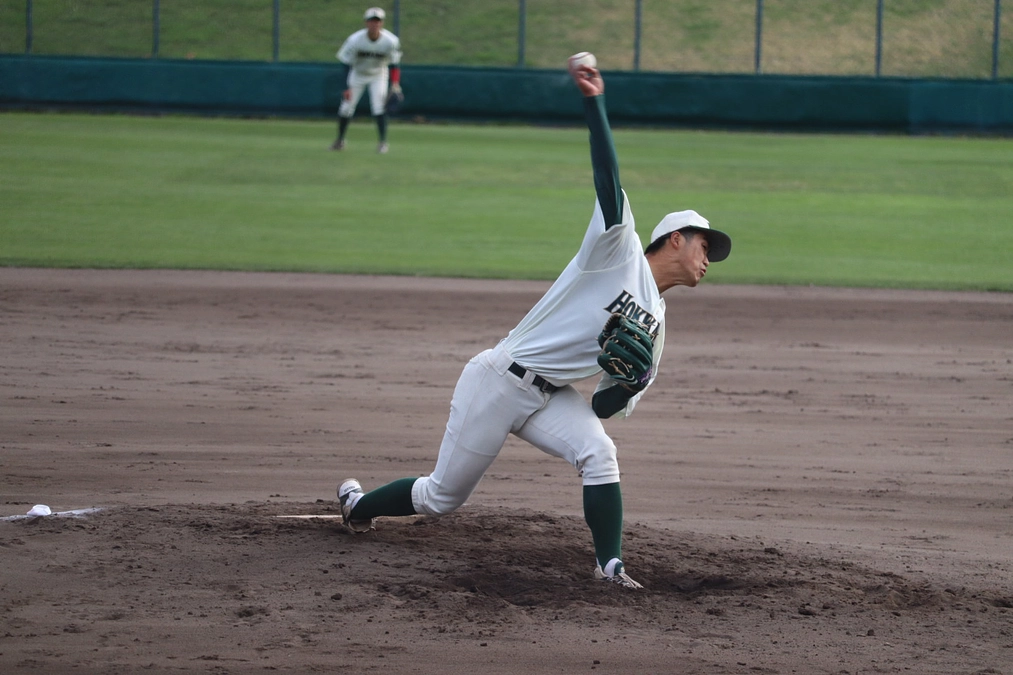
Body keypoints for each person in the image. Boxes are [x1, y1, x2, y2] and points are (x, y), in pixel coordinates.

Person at [337, 57, 731, 589]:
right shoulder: (618, 251)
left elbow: (604, 405)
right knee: (442, 497)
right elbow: (608, 177)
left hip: (552, 395)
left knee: (599, 451)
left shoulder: (658, 324)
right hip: (499, 378)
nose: (708, 261)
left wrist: (633, 382)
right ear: (675, 238)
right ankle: (358, 506)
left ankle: (609, 566)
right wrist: (594, 102)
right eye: (705, 246)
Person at [331, 7, 402, 154]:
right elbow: (345, 64)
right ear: (366, 22)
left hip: (379, 74)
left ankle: (382, 143)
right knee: (346, 107)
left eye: (377, 21)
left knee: (379, 107)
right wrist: (346, 87)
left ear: (382, 23)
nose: (374, 24)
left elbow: (395, 65)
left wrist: (395, 84)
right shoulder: (355, 40)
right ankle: (340, 141)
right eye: (371, 21)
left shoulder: (391, 41)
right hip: (357, 73)